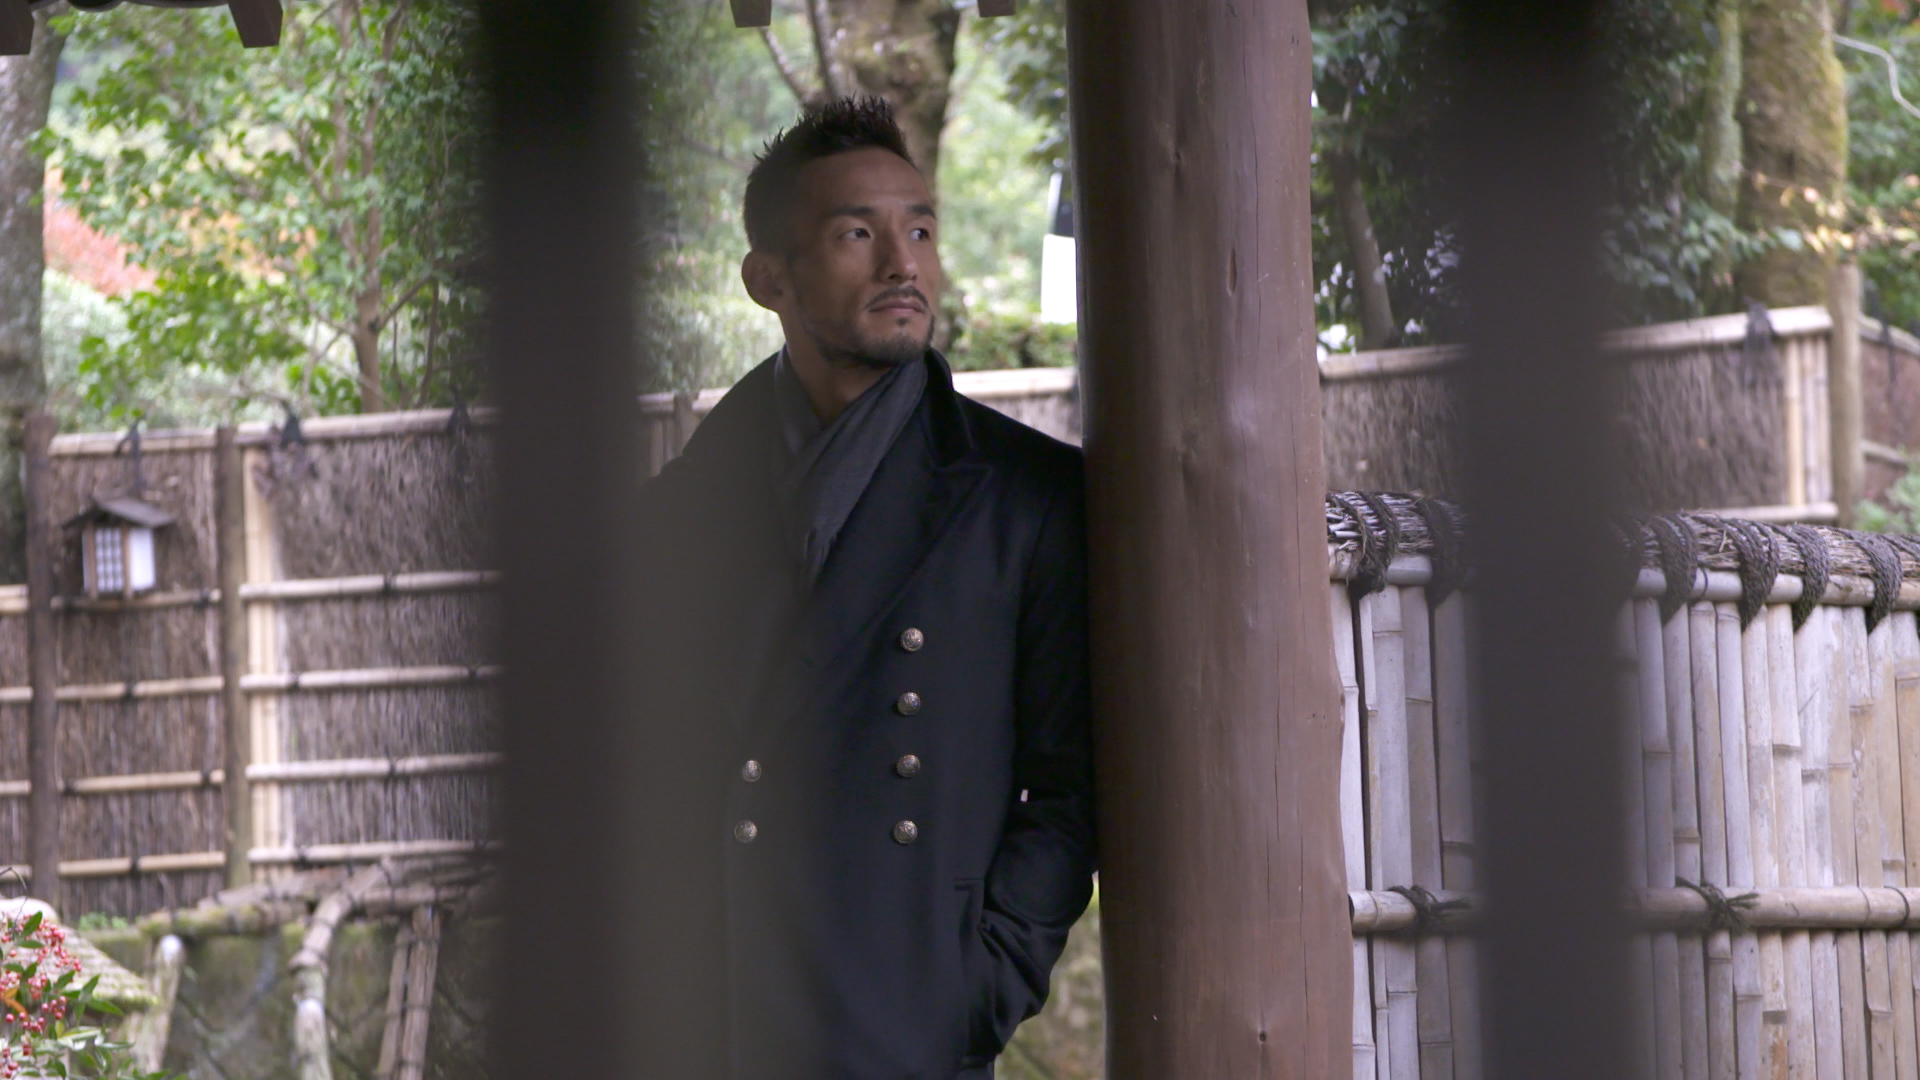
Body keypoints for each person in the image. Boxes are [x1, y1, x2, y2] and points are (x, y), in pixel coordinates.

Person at [633, 97, 1095, 1080]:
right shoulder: (682, 509)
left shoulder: (1028, 500)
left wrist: (975, 986)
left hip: (901, 1031)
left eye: (920, 230)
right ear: (769, 279)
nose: (902, 264)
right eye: (857, 234)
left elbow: (1071, 788)